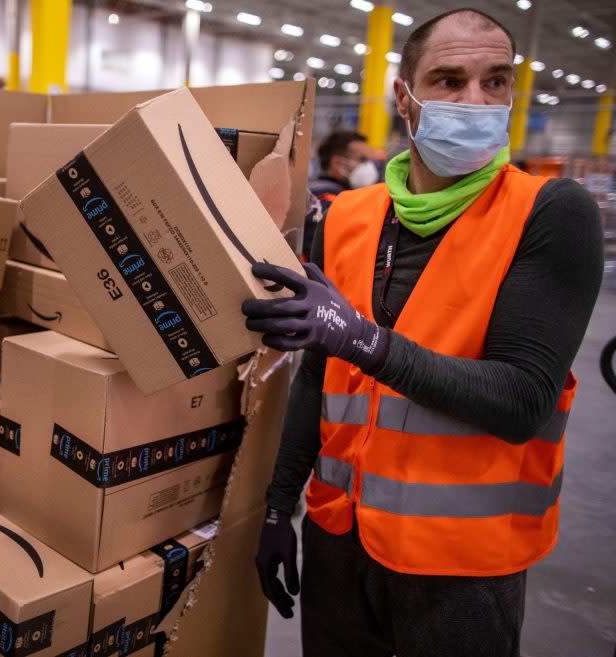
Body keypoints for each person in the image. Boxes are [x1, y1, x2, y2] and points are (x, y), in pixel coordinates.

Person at [242, 8, 603, 657]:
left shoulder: (549, 214)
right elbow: (322, 375)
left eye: (496, 83)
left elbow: (522, 399)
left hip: (460, 566)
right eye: (449, 79)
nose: (476, 101)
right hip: (338, 540)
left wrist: (364, 340)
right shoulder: (349, 216)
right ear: (403, 98)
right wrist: (278, 504)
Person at [303, 132, 379, 257]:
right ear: (337, 163)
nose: (370, 166)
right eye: (363, 159)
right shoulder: (326, 201)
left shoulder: (315, 193)